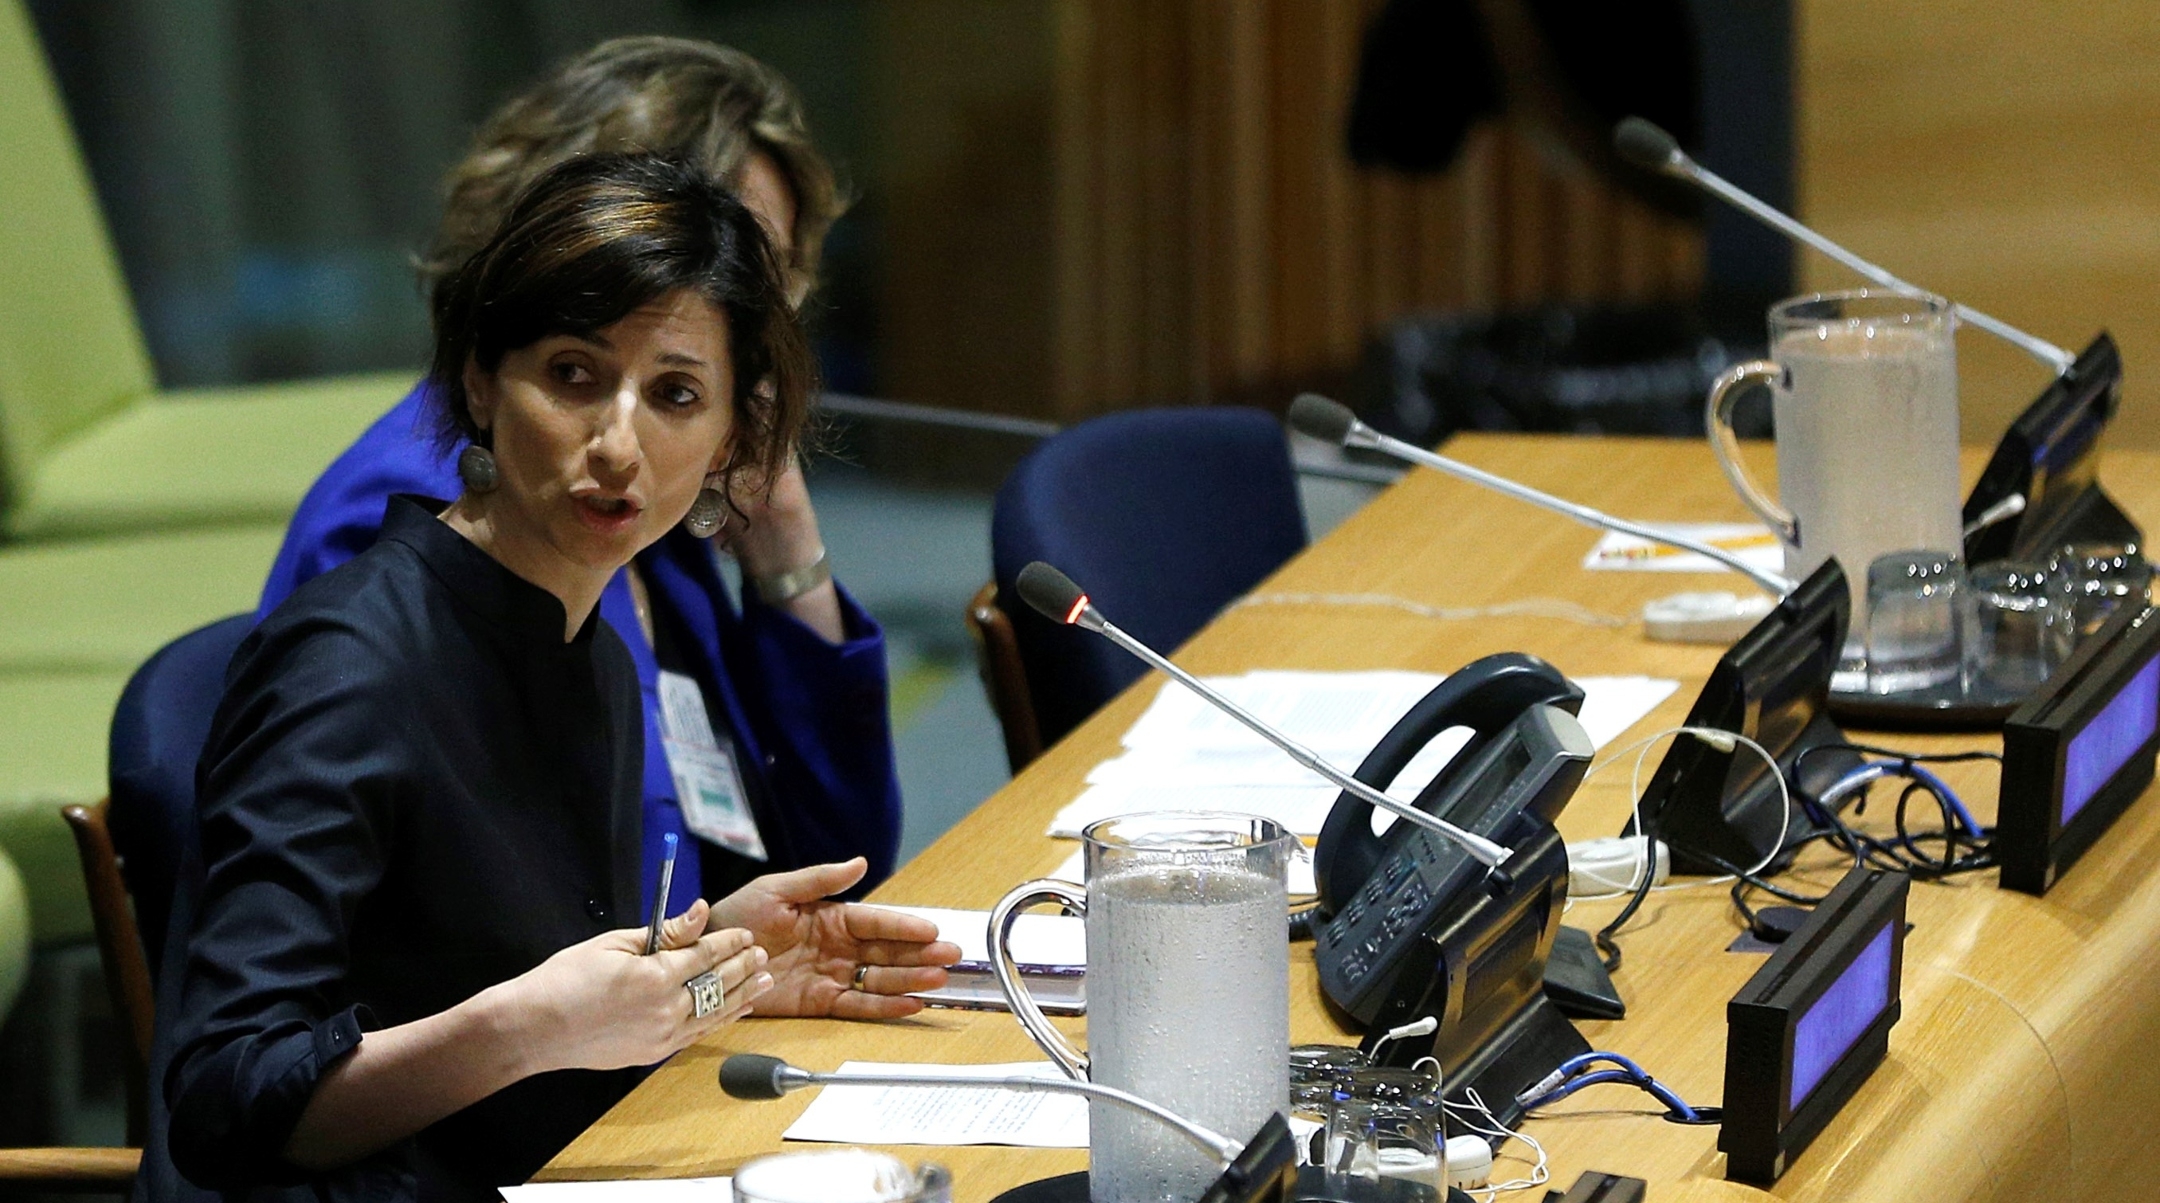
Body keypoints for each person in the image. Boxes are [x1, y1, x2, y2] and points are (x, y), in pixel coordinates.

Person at [157, 155, 960, 1203]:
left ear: (729, 443)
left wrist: (713, 960)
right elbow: (227, 1102)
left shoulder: (592, 649)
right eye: (574, 375)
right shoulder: (350, 668)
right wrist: (531, 1027)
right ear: (482, 382)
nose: (618, 445)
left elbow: (531, 1005)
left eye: (675, 395)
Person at [259, 38, 894, 921]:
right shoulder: (428, 515)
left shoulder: (650, 500)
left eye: (765, 279)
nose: (743, 313)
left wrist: (785, 545)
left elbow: (834, 869)